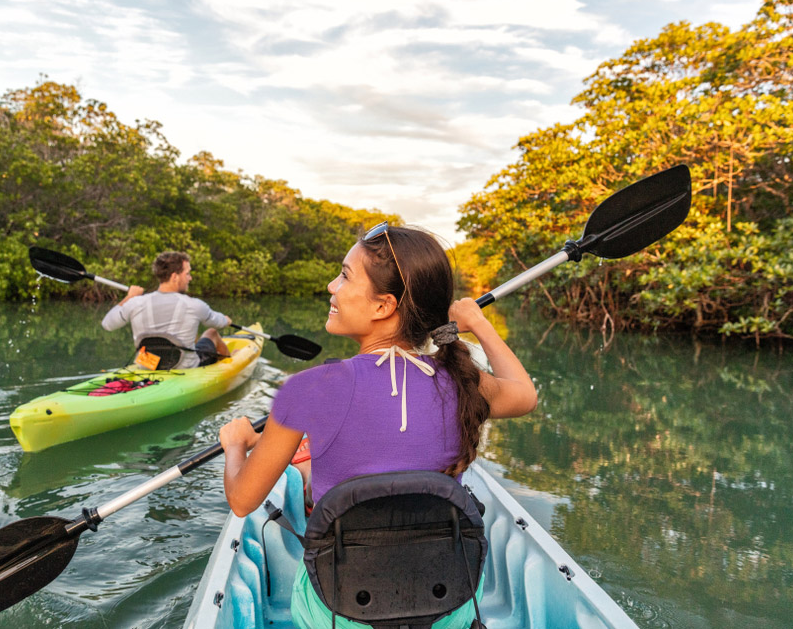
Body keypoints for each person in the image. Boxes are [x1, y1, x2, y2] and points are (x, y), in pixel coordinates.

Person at [218, 223, 538, 628]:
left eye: (345, 276)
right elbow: (525, 394)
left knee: (306, 474)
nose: (332, 286)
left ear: (384, 305)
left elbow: (243, 501)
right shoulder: (464, 381)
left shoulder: (309, 389)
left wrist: (235, 444)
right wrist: (476, 322)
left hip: (339, 614)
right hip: (445, 609)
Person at [101, 251, 232, 369]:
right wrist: (226, 320)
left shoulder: (135, 302)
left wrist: (129, 297)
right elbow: (219, 322)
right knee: (211, 333)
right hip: (184, 367)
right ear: (175, 277)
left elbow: (107, 324)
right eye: (187, 273)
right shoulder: (194, 305)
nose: (190, 278)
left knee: (194, 336)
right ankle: (231, 362)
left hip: (147, 366)